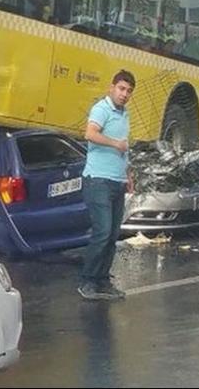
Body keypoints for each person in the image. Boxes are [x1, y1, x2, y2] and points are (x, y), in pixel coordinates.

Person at [78, 70, 135, 301]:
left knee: (112, 234)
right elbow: (90, 133)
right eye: (121, 89)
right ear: (112, 87)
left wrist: (129, 173)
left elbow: (124, 146)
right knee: (101, 231)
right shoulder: (102, 109)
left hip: (117, 181)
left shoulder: (124, 114)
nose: (124, 94)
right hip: (98, 180)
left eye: (129, 91)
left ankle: (102, 280)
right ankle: (88, 281)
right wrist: (114, 144)